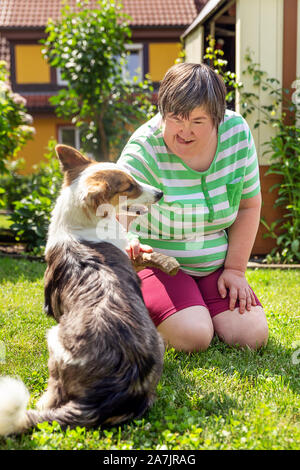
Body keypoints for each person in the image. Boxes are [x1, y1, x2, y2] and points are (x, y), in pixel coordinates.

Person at [117, 62, 269, 352]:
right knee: (194, 336)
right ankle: (148, 306)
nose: (185, 131)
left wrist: (235, 270)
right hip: (157, 263)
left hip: (214, 266)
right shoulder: (143, 150)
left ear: (217, 118)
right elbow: (114, 218)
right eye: (176, 118)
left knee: (252, 335)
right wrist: (126, 241)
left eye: (198, 121)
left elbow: (249, 206)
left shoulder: (236, 135)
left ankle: (194, 301)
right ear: (163, 113)